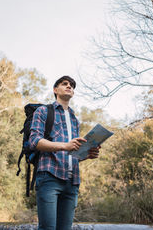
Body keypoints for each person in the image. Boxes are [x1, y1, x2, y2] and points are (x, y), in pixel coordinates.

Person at [29, 75, 100, 230]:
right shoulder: (43, 111)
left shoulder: (75, 119)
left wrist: (86, 155)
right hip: (49, 178)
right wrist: (65, 146)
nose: (69, 86)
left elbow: (72, 152)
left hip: (72, 182)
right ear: (55, 90)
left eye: (72, 86)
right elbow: (34, 141)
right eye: (65, 84)